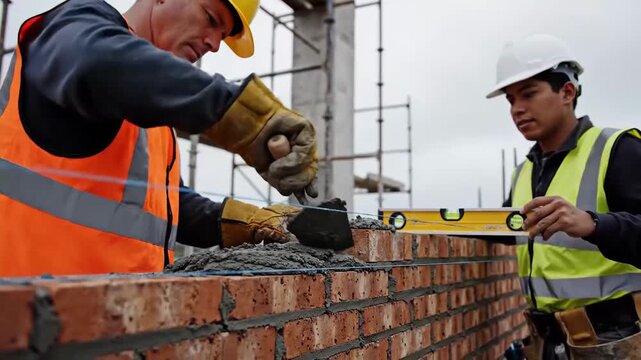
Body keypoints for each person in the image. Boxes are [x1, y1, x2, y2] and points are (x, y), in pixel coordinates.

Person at [0, 0, 318, 277]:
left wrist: (249, 222)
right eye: (211, 18)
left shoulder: (152, 116)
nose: (214, 44)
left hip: (115, 325)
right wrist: (239, 116)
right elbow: (99, 64)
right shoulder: (71, 30)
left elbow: (165, 207)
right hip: (29, 320)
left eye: (222, 35)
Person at [487, 34, 641, 359]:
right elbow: (503, 229)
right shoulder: (524, 173)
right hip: (550, 341)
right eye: (511, 99)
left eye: (528, 94)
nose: (517, 109)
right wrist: (414, 226)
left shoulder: (618, 150)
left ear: (567, 92)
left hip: (618, 340)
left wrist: (593, 224)